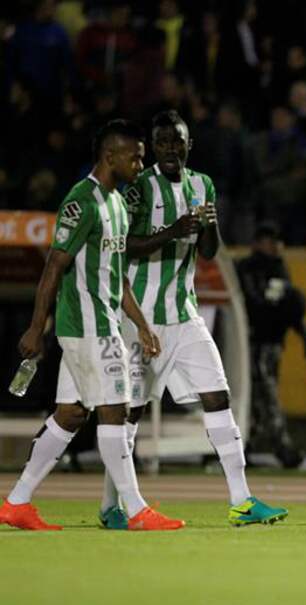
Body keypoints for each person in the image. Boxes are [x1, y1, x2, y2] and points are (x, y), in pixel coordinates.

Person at [0, 120, 184, 531]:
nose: (140, 164)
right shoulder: (82, 201)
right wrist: (36, 327)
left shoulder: (117, 204)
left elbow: (115, 276)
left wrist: (142, 325)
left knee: (71, 413)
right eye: (134, 157)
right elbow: (54, 265)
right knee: (115, 410)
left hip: (103, 323)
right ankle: (136, 510)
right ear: (110, 156)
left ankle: (16, 503)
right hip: (89, 326)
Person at [107, 110, 287, 528]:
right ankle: (111, 505)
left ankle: (242, 500)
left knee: (218, 396)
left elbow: (208, 251)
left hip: (185, 315)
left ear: (189, 145)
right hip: (139, 319)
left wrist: (207, 224)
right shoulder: (139, 187)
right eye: (163, 142)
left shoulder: (202, 184)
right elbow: (124, 246)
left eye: (177, 141)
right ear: (153, 147)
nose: (171, 149)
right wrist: (174, 230)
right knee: (128, 414)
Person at [236, 223, 306, 469]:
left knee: (260, 398)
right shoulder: (247, 268)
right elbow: (255, 304)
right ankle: (282, 448)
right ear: (258, 243)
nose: (277, 246)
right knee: (265, 396)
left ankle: (243, 447)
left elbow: (290, 307)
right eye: (271, 241)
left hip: (273, 343)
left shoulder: (279, 268)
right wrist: (279, 306)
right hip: (254, 342)